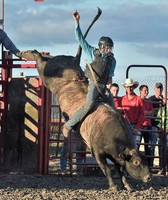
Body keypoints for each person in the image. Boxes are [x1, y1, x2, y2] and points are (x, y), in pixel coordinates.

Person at [62, 10, 116, 137]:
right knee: (89, 105)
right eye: (107, 47)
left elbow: (109, 79)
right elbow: (80, 39)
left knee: (113, 109)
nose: (109, 50)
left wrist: (109, 90)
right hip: (93, 83)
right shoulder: (92, 52)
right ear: (102, 47)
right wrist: (77, 22)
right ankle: (68, 125)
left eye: (110, 47)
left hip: (103, 86)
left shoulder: (112, 60)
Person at [118, 78, 145, 145]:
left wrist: (137, 128)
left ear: (133, 87)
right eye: (127, 87)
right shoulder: (121, 99)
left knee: (134, 148)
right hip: (123, 126)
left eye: (130, 87)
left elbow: (142, 115)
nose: (129, 89)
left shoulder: (139, 100)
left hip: (134, 126)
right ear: (125, 88)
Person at [149, 82, 166, 174]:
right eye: (157, 88)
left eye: (160, 88)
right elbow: (149, 111)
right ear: (155, 89)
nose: (159, 90)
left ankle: (162, 167)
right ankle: (150, 166)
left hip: (162, 126)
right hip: (153, 125)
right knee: (151, 145)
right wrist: (157, 110)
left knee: (162, 146)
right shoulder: (151, 99)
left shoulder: (164, 100)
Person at [139, 84, 157, 167]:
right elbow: (140, 112)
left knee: (149, 147)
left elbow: (152, 113)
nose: (146, 92)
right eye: (144, 90)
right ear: (140, 91)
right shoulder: (138, 100)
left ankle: (149, 166)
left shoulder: (148, 101)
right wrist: (146, 113)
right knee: (136, 146)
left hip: (148, 125)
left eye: (147, 90)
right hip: (140, 126)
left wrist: (144, 113)